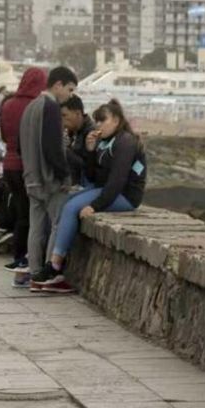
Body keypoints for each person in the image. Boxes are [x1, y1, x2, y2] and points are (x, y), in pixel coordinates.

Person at [36, 100, 146, 294]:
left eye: (103, 120)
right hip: (107, 190)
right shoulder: (105, 141)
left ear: (116, 120)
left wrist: (94, 206)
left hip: (125, 196)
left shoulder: (125, 142)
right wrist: (90, 151)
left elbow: (117, 181)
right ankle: (56, 263)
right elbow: (95, 176)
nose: (98, 125)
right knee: (67, 202)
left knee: (72, 208)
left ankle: (54, 266)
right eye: (97, 121)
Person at [20, 66, 78, 289]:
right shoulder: (51, 107)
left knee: (36, 228)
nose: (70, 95)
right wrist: (64, 175)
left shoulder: (30, 107)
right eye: (70, 89)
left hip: (31, 177)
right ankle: (47, 275)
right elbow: (52, 147)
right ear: (58, 85)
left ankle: (34, 275)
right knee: (57, 224)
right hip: (48, 180)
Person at [0, 68, 45, 284]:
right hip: (28, 166)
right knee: (32, 217)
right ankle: (25, 263)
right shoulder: (37, 106)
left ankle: (18, 260)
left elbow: (4, 135)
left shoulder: (7, 104)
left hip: (9, 165)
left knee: (20, 214)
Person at [61, 95, 95, 187]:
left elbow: (87, 167)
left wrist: (65, 150)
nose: (62, 120)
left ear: (77, 113)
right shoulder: (72, 132)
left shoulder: (91, 134)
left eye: (64, 115)